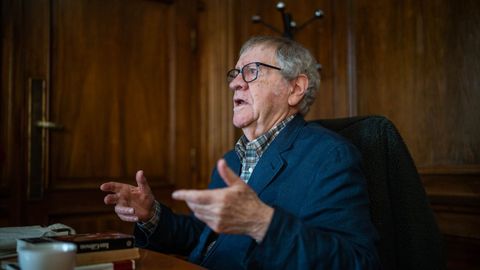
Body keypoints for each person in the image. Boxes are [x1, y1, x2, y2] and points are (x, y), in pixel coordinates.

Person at [100, 36, 380, 269]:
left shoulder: (330, 157)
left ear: (295, 89)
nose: (235, 83)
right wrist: (151, 216)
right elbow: (207, 238)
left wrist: (263, 224)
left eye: (252, 71)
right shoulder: (230, 160)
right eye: (235, 74)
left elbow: (357, 262)